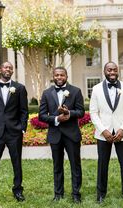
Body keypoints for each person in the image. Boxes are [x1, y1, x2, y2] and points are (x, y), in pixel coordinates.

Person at [89, 61, 123, 206]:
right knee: (103, 164)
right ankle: (101, 194)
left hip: (122, 133)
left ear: (118, 71)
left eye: (115, 70)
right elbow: (93, 112)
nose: (112, 72)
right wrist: (104, 131)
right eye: (109, 70)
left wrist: (122, 129)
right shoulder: (96, 89)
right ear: (104, 71)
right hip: (103, 134)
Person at [0, 61, 28, 205]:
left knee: (17, 163)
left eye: (10, 67)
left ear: (12, 71)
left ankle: (18, 191)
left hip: (14, 133)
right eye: (5, 67)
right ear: (0, 69)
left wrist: (22, 128)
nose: (7, 69)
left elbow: (24, 111)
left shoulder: (19, 88)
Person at [39, 66, 84, 203]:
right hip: (55, 134)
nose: (59, 77)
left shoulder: (76, 91)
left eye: (62, 75)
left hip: (71, 134)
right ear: (53, 76)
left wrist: (68, 113)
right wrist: (57, 119)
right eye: (57, 75)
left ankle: (76, 194)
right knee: (57, 165)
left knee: (75, 165)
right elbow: (41, 115)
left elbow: (81, 112)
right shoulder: (47, 93)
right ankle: (58, 193)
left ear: (66, 76)